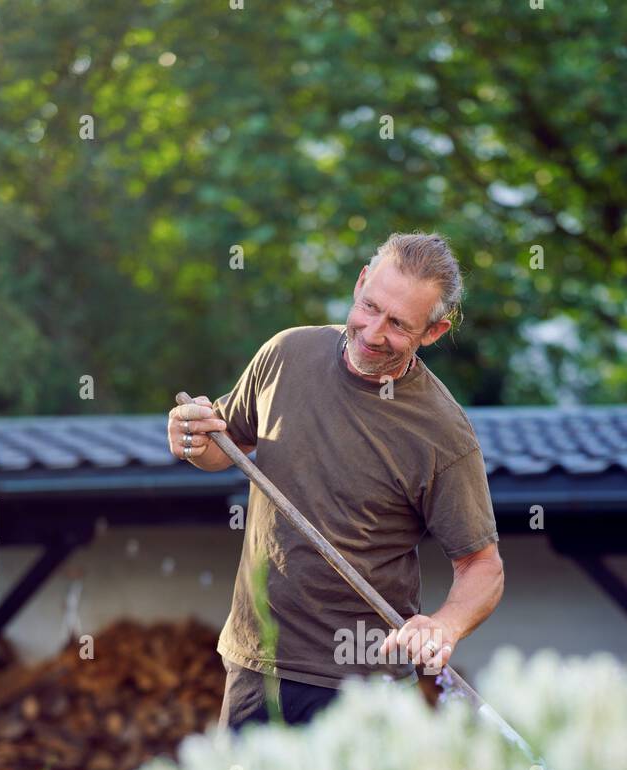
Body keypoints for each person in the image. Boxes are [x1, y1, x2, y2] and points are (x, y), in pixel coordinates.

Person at [167, 230, 504, 730]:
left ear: (433, 333)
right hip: (257, 665)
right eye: (370, 307)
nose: (372, 332)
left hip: (365, 686)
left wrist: (442, 625)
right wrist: (191, 437)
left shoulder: (442, 433)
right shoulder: (287, 355)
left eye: (397, 324)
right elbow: (225, 448)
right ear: (361, 282)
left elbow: (482, 566)